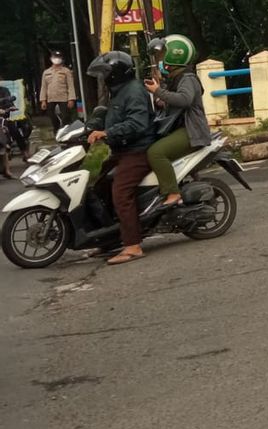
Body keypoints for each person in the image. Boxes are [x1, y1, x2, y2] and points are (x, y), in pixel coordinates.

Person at [86, 51, 156, 266]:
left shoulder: (133, 91)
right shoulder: (117, 92)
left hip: (138, 150)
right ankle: (110, 239)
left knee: (121, 192)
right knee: (96, 186)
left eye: (106, 73)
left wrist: (107, 134)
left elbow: (137, 124)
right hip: (121, 149)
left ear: (116, 73)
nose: (103, 77)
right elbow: (110, 117)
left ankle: (133, 246)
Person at [143, 34, 211, 209]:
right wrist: (160, 95)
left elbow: (184, 100)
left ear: (174, 56)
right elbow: (171, 103)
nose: (159, 60)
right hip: (181, 129)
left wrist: (158, 91)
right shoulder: (176, 79)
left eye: (162, 55)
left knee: (155, 153)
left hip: (191, 131)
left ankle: (173, 192)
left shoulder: (188, 78)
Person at [40, 50, 77, 132]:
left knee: (66, 117)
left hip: (63, 98)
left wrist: (71, 99)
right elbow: (43, 87)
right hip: (50, 98)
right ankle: (56, 130)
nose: (57, 59)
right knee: (51, 116)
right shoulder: (46, 72)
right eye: (55, 57)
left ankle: (67, 132)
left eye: (58, 57)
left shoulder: (66, 71)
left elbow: (70, 86)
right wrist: (43, 100)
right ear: (51, 59)